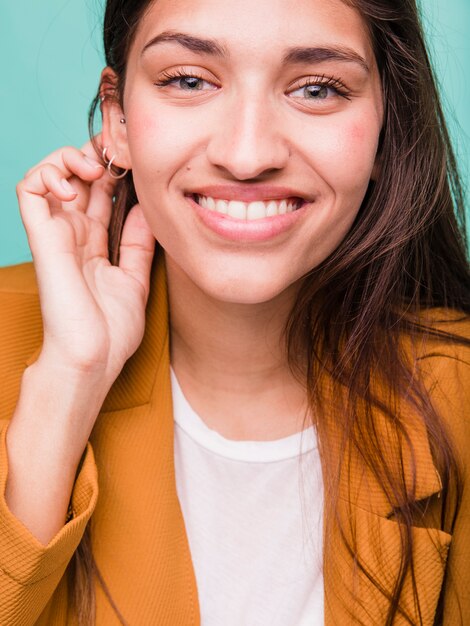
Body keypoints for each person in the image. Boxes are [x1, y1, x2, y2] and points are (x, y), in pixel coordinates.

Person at [1, 0, 469, 624]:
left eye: (318, 88)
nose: (247, 157)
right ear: (117, 121)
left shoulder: (457, 389)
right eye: (189, 81)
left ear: (388, 126)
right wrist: (67, 382)